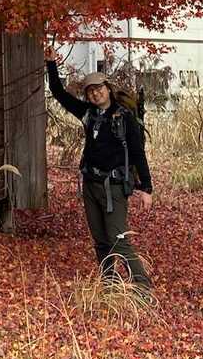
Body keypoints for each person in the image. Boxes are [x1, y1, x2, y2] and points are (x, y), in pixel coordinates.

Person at [46, 50, 153, 287]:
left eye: (99, 88)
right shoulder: (88, 113)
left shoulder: (124, 117)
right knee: (101, 241)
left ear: (108, 88)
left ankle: (142, 286)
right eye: (90, 91)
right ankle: (109, 284)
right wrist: (51, 63)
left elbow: (138, 153)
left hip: (114, 187)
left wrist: (146, 187)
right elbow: (59, 93)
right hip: (91, 185)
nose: (95, 93)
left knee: (118, 238)